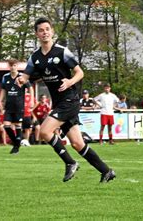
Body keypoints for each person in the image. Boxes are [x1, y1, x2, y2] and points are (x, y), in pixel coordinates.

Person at [16, 17, 115, 183]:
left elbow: (80, 72)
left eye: (47, 29)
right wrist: (21, 80)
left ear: (52, 31)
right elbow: (26, 76)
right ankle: (106, 171)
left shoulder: (62, 52)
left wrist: (69, 81)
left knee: (45, 131)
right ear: (37, 34)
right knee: (77, 143)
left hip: (69, 100)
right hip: (59, 102)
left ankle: (70, 162)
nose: (45, 32)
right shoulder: (35, 57)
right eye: (41, 30)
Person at [0, 59, 34, 154]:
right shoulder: (5, 77)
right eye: (10, 66)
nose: (12, 67)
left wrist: (31, 100)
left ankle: (16, 147)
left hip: (19, 106)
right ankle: (16, 143)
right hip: (8, 106)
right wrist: (0, 101)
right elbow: (3, 90)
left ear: (17, 66)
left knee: (18, 126)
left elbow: (30, 88)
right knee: (6, 126)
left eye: (14, 65)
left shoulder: (22, 77)